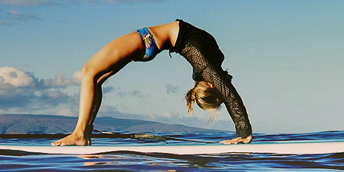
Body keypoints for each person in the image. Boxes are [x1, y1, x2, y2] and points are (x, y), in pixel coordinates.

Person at [51, 19, 252, 146]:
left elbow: (228, 93)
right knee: (98, 78)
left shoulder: (207, 68)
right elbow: (225, 92)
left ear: (210, 85)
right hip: (150, 43)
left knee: (88, 72)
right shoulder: (210, 65)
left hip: (147, 40)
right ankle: (84, 133)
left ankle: (79, 134)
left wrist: (243, 131)